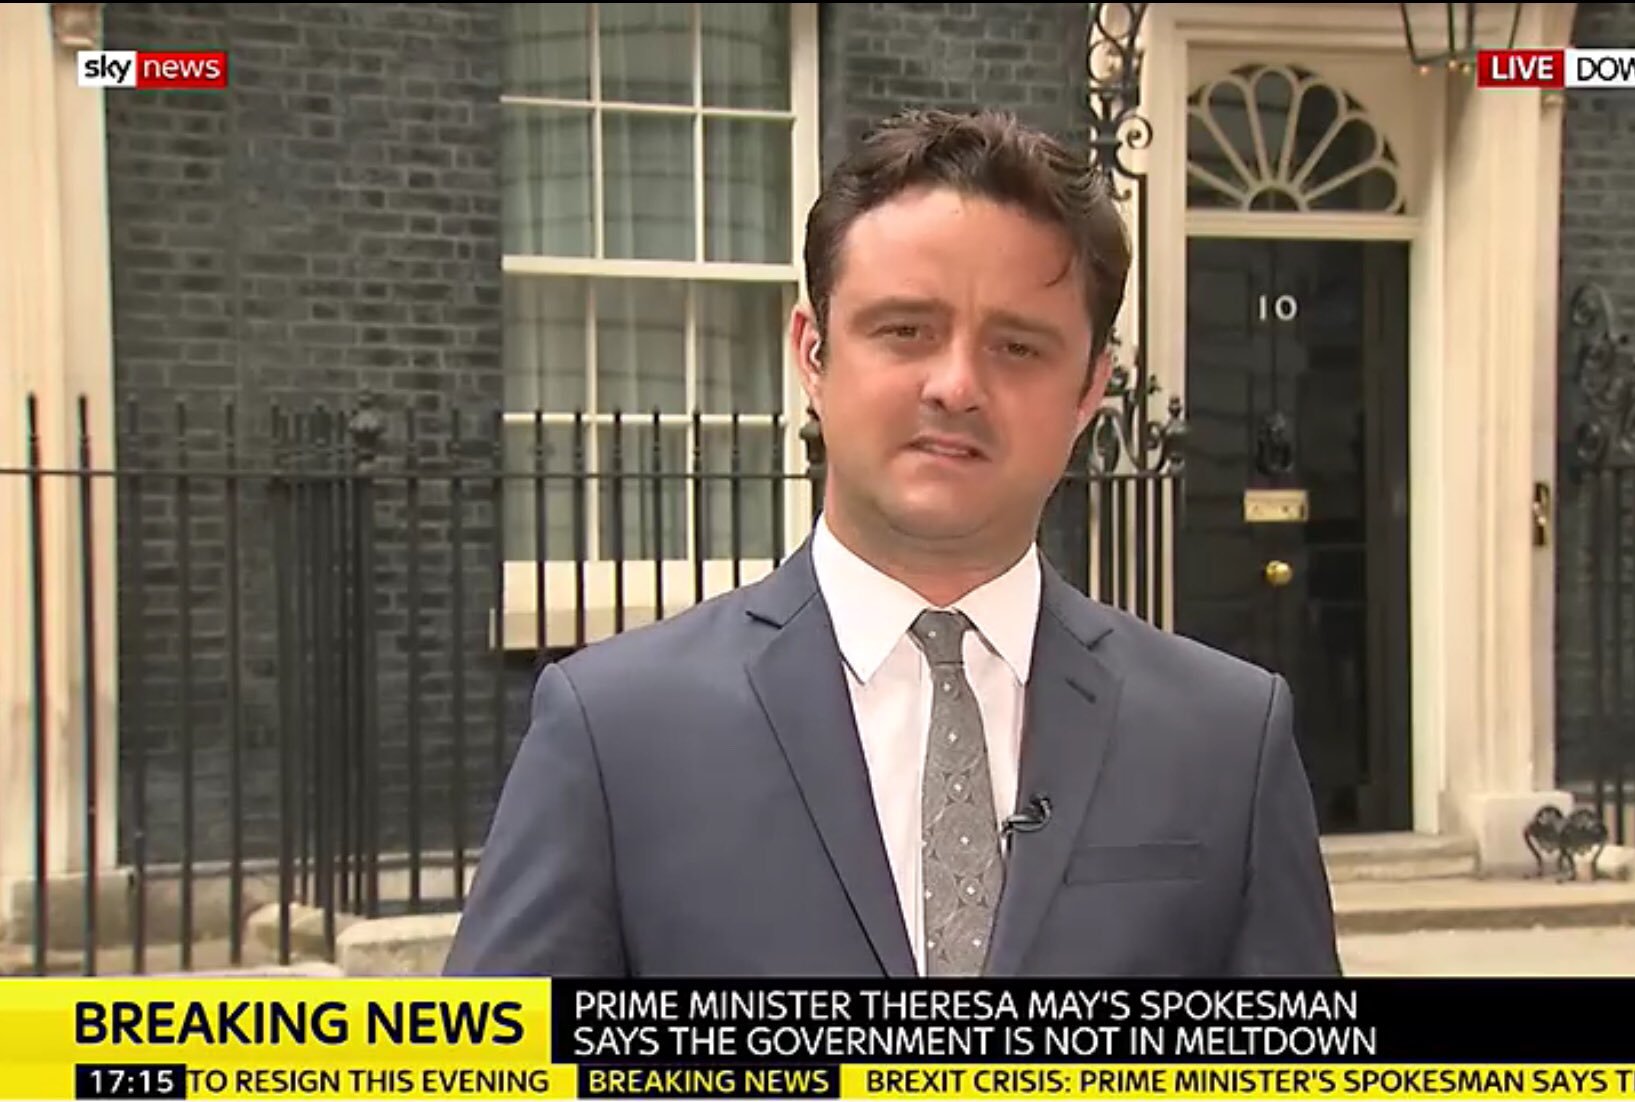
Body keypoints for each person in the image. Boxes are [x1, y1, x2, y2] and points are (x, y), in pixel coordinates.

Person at [444, 108, 1340, 978]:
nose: (955, 385)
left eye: (1017, 347)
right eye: (905, 330)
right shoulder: (614, 730)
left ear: (1088, 392)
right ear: (813, 354)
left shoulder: (1227, 738)